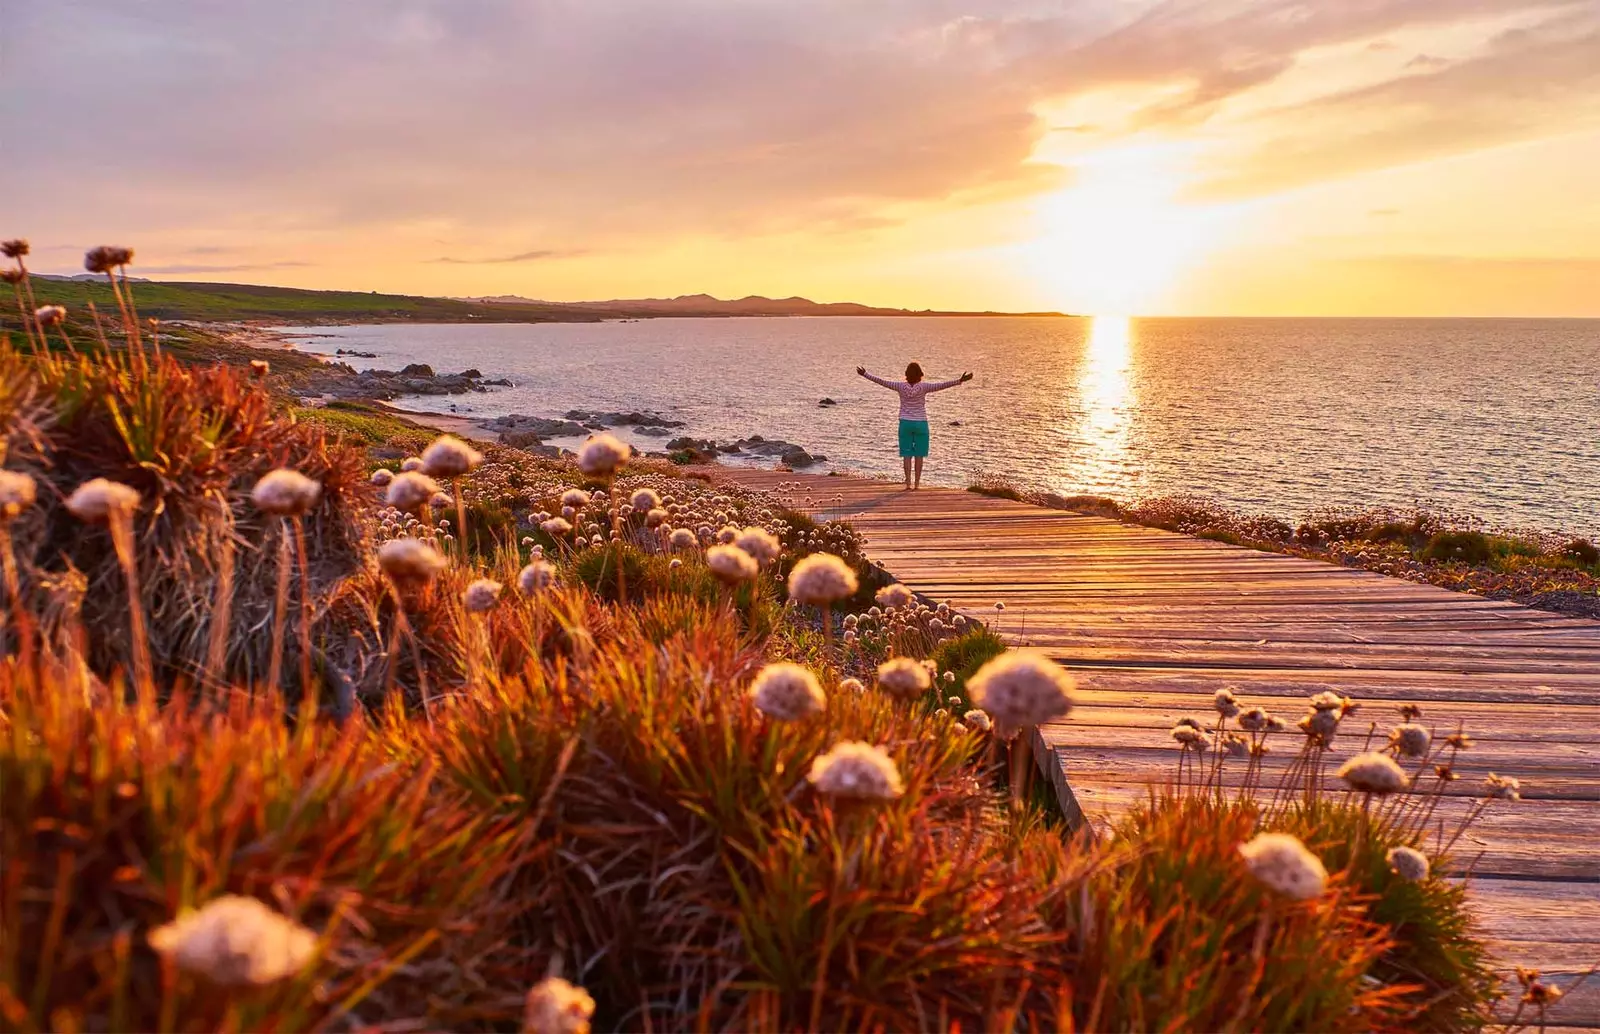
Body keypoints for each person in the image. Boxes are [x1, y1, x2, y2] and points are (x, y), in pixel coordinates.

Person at [857, 362, 973, 490]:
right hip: (921, 423)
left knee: (906, 455)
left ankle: (908, 484)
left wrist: (865, 374)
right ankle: (917, 485)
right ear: (920, 374)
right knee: (919, 455)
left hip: (905, 423)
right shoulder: (924, 387)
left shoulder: (900, 386)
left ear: (907, 374)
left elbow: (882, 382)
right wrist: (959, 380)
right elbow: (941, 385)